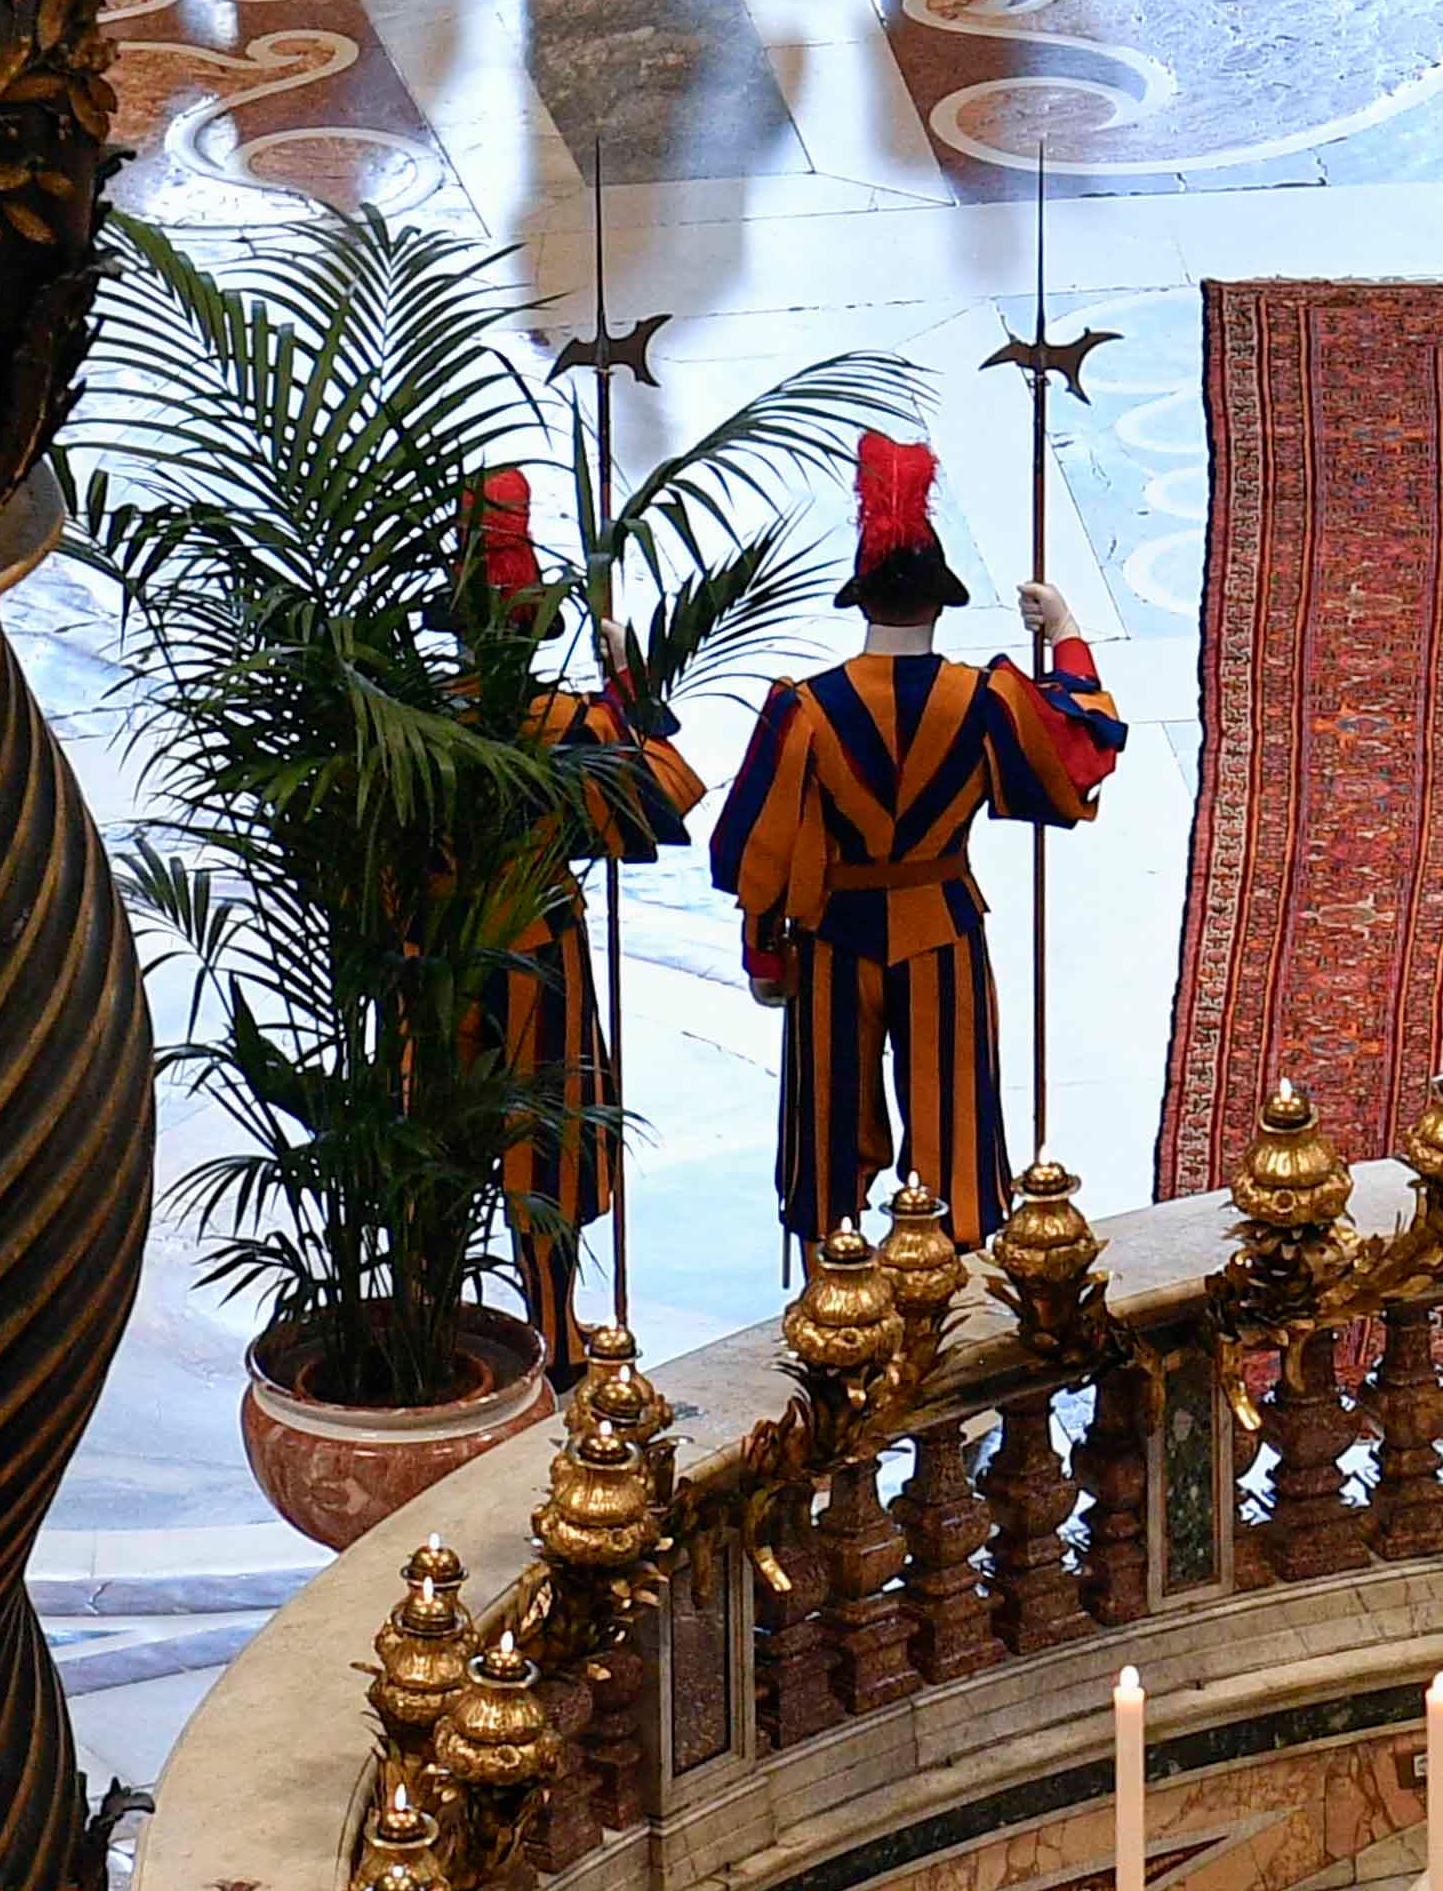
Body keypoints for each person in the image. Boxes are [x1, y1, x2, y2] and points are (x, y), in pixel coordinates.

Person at [712, 435, 1131, 1252]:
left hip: (833, 939)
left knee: (827, 1137)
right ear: (938, 602)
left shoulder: (803, 708)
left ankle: (830, 1310)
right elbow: (1084, 746)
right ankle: (960, 1313)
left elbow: (758, 853)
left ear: (860, 599)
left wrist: (766, 959)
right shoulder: (983, 700)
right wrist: (1068, 629)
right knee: (958, 1140)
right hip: (943, 929)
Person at [469, 465, 696, 1372]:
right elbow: (665, 795)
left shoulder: (414, 715)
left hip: (434, 956)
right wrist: (625, 682)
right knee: (546, 1156)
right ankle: (557, 1332)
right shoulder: (571, 721)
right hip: (541, 952)